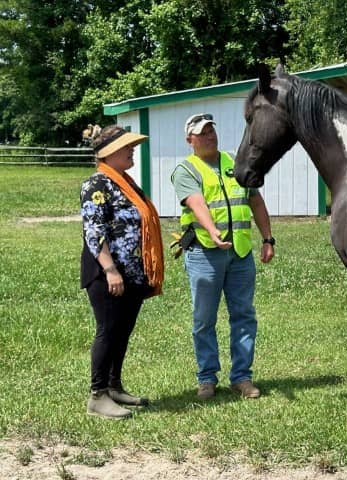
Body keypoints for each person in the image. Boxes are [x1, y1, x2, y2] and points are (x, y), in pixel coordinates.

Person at [171, 113, 275, 400]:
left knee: (243, 315)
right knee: (204, 319)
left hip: (241, 253)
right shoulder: (185, 170)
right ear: (190, 139)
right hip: (205, 252)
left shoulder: (235, 162)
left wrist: (267, 238)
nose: (210, 136)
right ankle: (207, 378)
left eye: (211, 131)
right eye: (203, 133)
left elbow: (255, 199)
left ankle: (241, 377)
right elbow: (196, 202)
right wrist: (212, 231)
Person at [80, 125, 164, 419]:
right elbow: (94, 233)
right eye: (127, 147)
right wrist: (111, 270)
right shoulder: (96, 185)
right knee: (108, 331)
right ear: (109, 153)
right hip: (108, 273)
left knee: (122, 332)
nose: (133, 150)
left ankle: (114, 386)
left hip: (132, 273)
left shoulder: (125, 182)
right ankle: (97, 395)